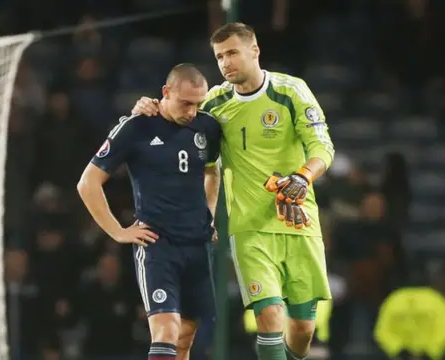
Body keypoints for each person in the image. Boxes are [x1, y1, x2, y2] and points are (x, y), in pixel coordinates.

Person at [131, 23, 335, 360]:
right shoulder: (215, 103)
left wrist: (302, 177)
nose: (225, 63)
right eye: (220, 56)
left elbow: (322, 146)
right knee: (268, 318)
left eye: (232, 53)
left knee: (302, 331)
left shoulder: (291, 91)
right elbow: (179, 119)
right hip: (248, 229)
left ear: (254, 51)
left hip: (298, 222)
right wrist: (148, 108)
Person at [77, 63, 221, 360]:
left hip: (196, 243)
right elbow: (87, 183)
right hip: (158, 245)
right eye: (185, 103)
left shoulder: (207, 127)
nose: (192, 111)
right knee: (166, 331)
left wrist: (209, 214)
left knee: (185, 337)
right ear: (166, 92)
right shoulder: (137, 126)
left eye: (198, 103)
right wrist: (117, 231)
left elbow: (212, 172)